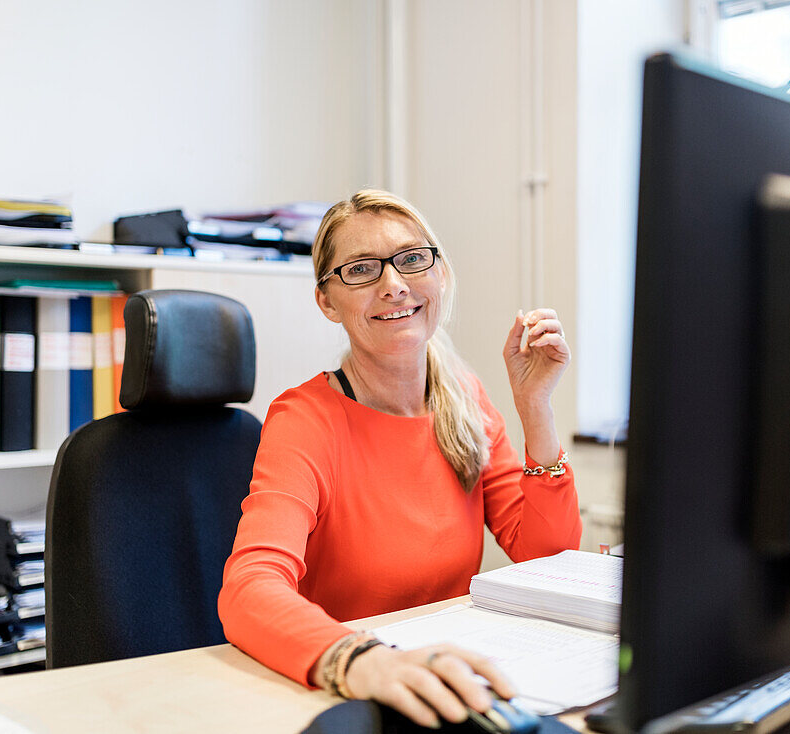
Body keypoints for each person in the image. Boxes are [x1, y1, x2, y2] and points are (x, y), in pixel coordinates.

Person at [219, 189, 581, 728]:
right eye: (362, 269)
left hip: (450, 682)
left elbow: (547, 556)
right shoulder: (305, 418)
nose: (394, 284)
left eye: (412, 259)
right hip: (353, 693)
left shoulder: (465, 395)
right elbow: (250, 587)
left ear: (440, 274)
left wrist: (535, 409)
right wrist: (365, 661)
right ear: (327, 301)